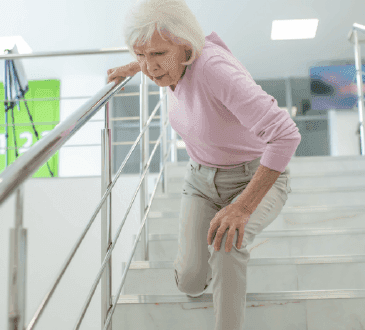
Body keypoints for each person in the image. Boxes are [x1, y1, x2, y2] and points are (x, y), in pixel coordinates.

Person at [107, 0, 301, 329]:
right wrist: (133, 66)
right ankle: (203, 269)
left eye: (156, 55)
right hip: (200, 181)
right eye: (141, 55)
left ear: (186, 46)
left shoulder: (214, 71)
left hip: (251, 177)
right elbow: (151, 55)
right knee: (190, 282)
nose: (150, 67)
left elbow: (285, 135)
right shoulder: (170, 62)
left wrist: (242, 207)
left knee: (227, 246)